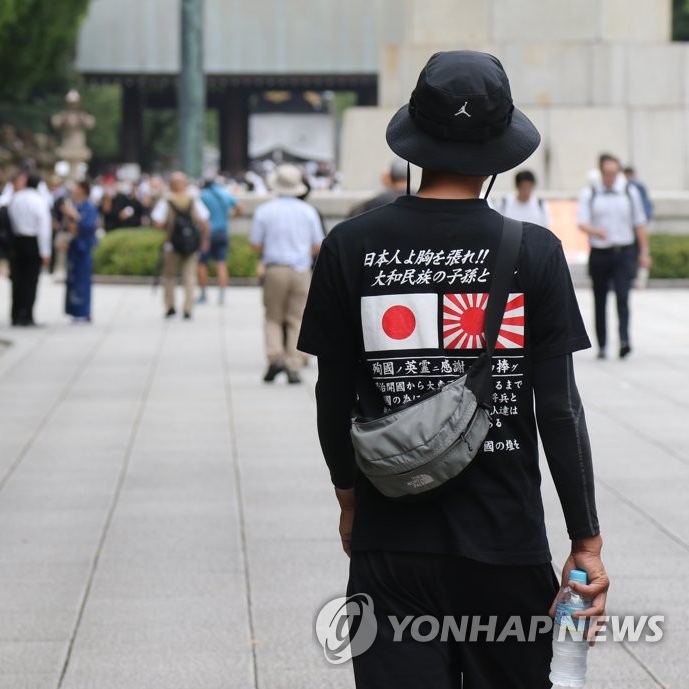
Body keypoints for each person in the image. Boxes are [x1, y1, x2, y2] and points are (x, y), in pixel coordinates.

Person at [298, 51, 608, 688]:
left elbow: (333, 397)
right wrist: (586, 541)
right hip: (505, 540)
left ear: (415, 141)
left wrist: (349, 499)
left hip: (392, 539)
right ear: (499, 153)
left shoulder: (349, 247)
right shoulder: (537, 254)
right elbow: (558, 409)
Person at [250, 164, 324, 385]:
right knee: (297, 318)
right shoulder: (308, 211)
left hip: (274, 269)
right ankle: (293, 364)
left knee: (273, 317)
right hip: (301, 270)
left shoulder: (265, 211)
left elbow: (256, 244)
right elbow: (317, 244)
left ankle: (275, 359)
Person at [577, 153, 650, 359]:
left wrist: (644, 252)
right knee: (600, 300)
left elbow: (639, 223)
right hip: (600, 252)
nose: (611, 177)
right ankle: (602, 344)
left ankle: (625, 340)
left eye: (614, 173)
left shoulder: (629, 191)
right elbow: (581, 222)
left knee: (623, 297)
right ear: (600, 172)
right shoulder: (590, 193)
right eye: (607, 173)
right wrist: (594, 231)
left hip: (624, 252)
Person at [151, 172, 210, 320]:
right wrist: (204, 240)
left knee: (169, 276)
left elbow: (157, 223)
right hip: (191, 244)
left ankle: (170, 305)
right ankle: (188, 308)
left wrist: (168, 228)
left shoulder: (167, 201)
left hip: (172, 245)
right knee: (189, 277)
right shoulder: (193, 200)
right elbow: (204, 221)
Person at [7, 173, 53, 326]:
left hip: (17, 241)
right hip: (32, 242)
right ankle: (27, 315)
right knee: (31, 281)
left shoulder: (16, 198)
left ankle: (15, 314)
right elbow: (44, 228)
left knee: (17, 280)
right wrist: (45, 252)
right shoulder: (39, 201)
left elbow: (11, 220)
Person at [197, 177, 242, 305]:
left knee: (202, 263)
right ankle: (222, 296)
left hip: (207, 233)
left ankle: (203, 295)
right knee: (221, 263)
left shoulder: (203, 195)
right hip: (222, 231)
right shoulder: (224, 193)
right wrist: (230, 217)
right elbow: (240, 207)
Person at [62, 180, 99, 322]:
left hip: (84, 247)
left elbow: (89, 226)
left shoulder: (89, 207)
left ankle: (84, 312)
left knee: (83, 280)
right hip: (74, 246)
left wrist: (75, 215)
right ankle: (74, 311)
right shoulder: (75, 204)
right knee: (73, 279)